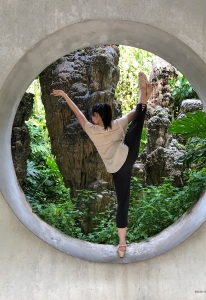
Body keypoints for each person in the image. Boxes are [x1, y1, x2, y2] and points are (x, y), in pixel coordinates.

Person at [50, 72, 152, 258]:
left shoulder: (92, 130)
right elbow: (136, 114)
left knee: (122, 203)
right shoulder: (118, 124)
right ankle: (143, 91)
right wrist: (144, 97)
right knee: (138, 120)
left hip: (117, 170)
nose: (91, 118)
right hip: (128, 155)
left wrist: (65, 95)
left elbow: (77, 113)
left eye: (93, 116)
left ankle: (122, 246)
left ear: (96, 115)